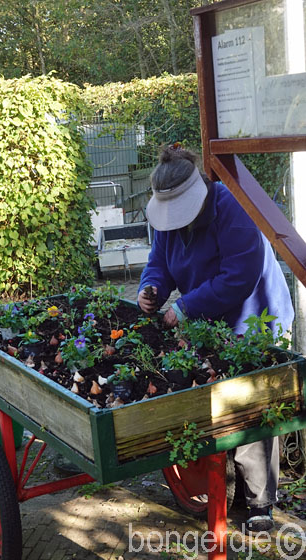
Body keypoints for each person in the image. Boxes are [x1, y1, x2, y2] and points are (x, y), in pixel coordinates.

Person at [138, 144, 294, 533]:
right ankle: (227, 487)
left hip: (253, 319)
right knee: (214, 400)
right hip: (209, 320)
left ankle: (260, 503)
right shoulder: (169, 226)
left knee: (249, 407)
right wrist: (151, 289)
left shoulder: (233, 208)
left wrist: (186, 308)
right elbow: (159, 261)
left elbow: (240, 276)